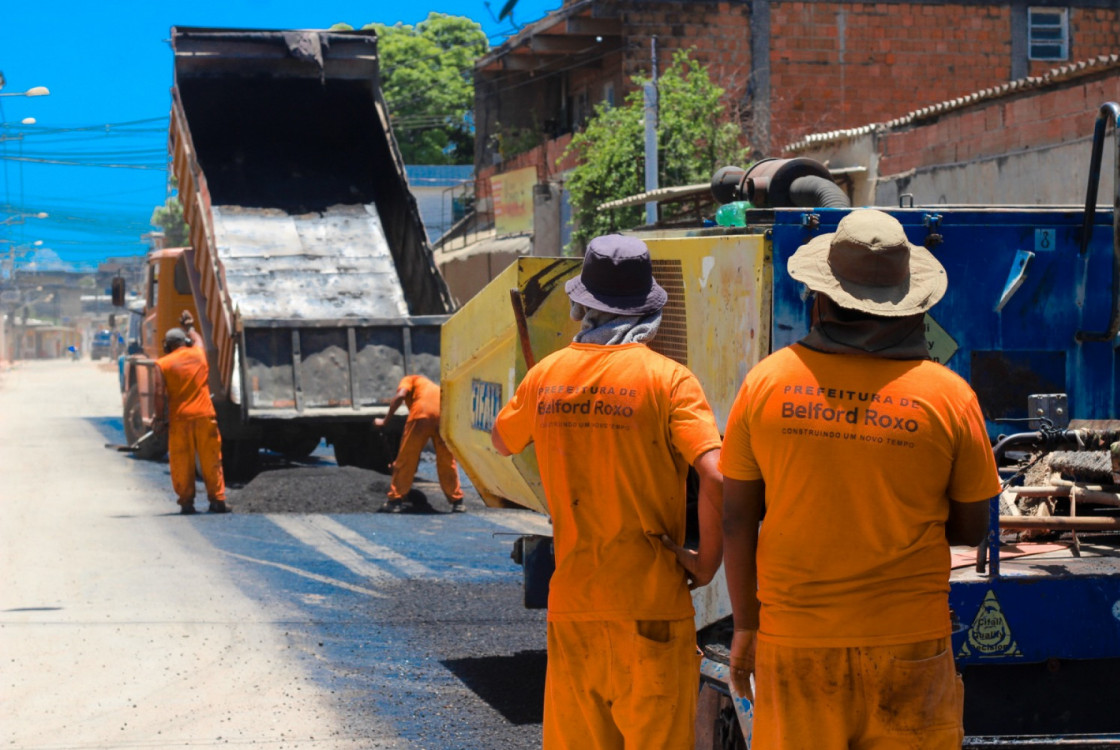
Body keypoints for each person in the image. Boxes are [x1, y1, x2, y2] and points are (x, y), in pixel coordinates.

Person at [720, 209, 1000, 749]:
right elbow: (970, 530)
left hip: (796, 645)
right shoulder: (949, 396)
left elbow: (737, 519)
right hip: (910, 646)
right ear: (910, 304)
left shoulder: (766, 383)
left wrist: (745, 626)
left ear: (820, 298)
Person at [490, 234, 724, 750]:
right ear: (649, 310)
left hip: (575, 604)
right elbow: (717, 473)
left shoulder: (545, 376)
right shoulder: (670, 381)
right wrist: (706, 564)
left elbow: (501, 440)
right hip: (651, 606)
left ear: (581, 307)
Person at [154, 310, 228, 515]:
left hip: (180, 420)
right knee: (212, 458)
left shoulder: (163, 364)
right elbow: (199, 340)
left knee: (181, 461)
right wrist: (190, 326)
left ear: (168, 346)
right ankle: (218, 500)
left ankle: (187, 503)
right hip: (205, 416)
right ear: (185, 342)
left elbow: (159, 395)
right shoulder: (198, 353)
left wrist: (159, 419)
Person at [375, 374, 464, 512]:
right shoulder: (430, 386)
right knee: (447, 460)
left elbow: (400, 396)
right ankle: (457, 501)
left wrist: (385, 421)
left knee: (406, 458)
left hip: (421, 415)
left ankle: (395, 500)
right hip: (444, 416)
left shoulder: (409, 379)